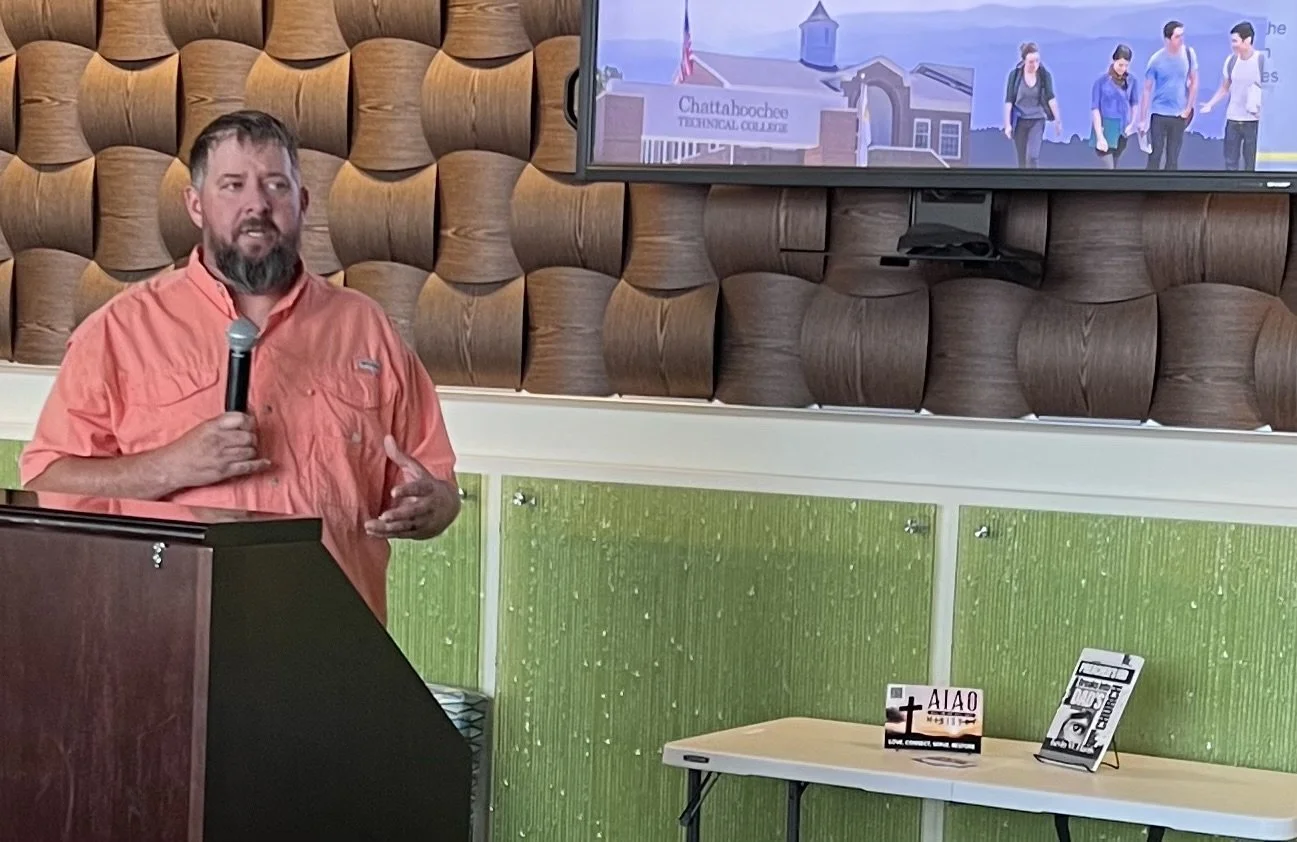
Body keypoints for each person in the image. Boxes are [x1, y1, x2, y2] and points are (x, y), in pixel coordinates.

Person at [18, 110, 461, 625]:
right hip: (168, 641)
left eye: (276, 184)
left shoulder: (367, 329)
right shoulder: (119, 331)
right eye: (233, 185)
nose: (258, 203)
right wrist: (173, 466)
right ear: (195, 205)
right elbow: (47, 485)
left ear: (303, 203)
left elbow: (438, 487)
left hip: (330, 643)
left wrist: (434, 507)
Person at [1199, 21, 1264, 171]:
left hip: (1254, 122)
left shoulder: (1262, 61)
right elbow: (1225, 87)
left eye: (1235, 41)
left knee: (1251, 163)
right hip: (1233, 120)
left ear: (1247, 40)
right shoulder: (1232, 61)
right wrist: (1210, 104)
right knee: (1230, 162)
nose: (1233, 45)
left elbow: (1271, 91)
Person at [1141, 20, 1199, 170]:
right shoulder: (1156, 60)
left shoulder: (1188, 54)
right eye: (1177, 36)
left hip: (1179, 114)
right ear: (1167, 39)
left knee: (1173, 158)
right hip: (1159, 113)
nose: (1181, 40)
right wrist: (1143, 119)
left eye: (1182, 36)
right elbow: (1147, 89)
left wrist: (1189, 107)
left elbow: (1194, 82)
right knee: (1155, 154)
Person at [1003, 42, 1064, 169]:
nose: (1034, 65)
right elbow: (1009, 101)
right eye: (1031, 61)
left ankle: (1034, 183)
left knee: (1032, 156)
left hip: (1037, 118)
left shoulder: (1044, 75)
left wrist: (1058, 120)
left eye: (1037, 61)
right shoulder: (1015, 76)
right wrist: (1007, 125)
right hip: (1019, 120)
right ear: (1024, 61)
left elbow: (1051, 98)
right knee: (1022, 159)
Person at [1089, 44, 1142, 169]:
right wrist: (1100, 136)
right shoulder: (1101, 82)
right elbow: (1095, 109)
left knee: (1116, 166)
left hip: (1122, 129)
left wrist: (1132, 124)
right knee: (1108, 167)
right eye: (1120, 65)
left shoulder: (1131, 81)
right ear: (1114, 61)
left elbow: (1134, 103)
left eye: (1126, 65)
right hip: (1105, 127)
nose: (1123, 69)